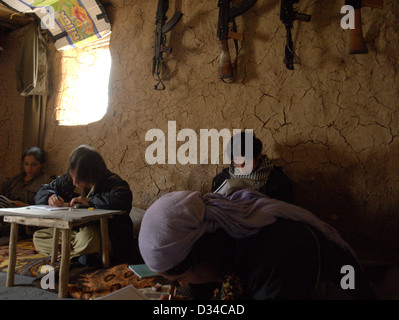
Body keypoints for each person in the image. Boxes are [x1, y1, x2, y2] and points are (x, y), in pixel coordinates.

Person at [138, 189, 377, 300]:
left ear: (197, 258)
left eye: (179, 279)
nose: (182, 285)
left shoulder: (276, 257)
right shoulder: (226, 234)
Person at [33, 145, 134, 266]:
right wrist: (49, 197)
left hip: (103, 235)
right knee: (40, 236)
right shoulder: (69, 179)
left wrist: (90, 201)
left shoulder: (111, 181)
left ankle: (72, 256)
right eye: (72, 176)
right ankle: (76, 258)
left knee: (88, 238)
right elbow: (43, 190)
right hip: (75, 233)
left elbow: (123, 199)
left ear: (91, 173)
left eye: (79, 178)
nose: (74, 182)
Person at [212, 132, 295, 204]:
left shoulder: (277, 182)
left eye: (246, 163)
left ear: (258, 156)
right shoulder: (222, 179)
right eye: (236, 162)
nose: (240, 168)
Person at [0, 147, 52, 241]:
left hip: (25, 222)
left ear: (42, 165)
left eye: (34, 165)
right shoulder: (14, 180)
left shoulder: (46, 182)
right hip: (6, 216)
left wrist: (25, 206)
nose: (29, 168)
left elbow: (48, 211)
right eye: (26, 164)